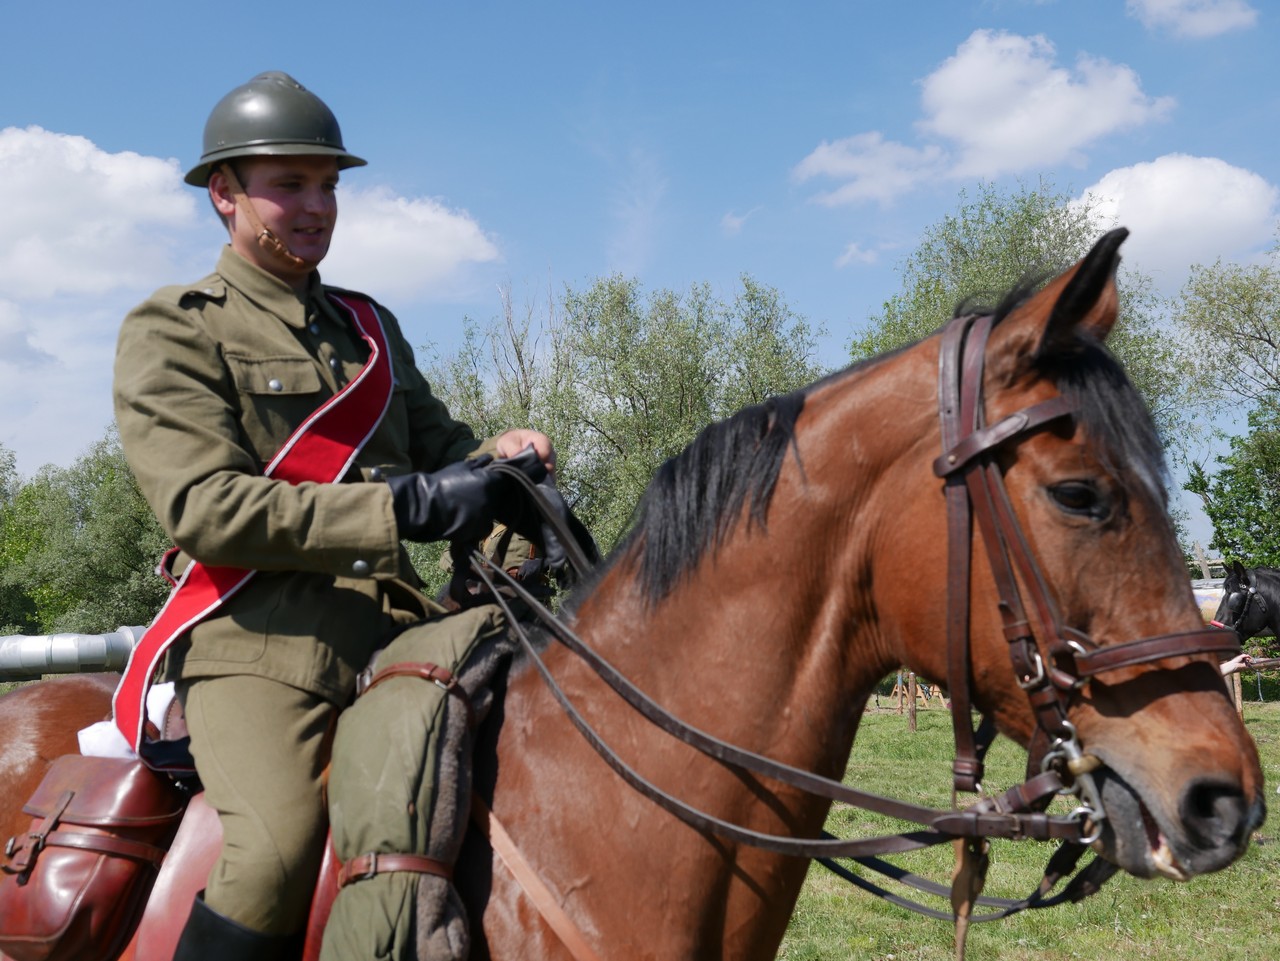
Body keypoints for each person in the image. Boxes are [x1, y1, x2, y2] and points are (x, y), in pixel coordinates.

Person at [113, 71, 552, 960]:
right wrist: (413, 506)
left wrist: (503, 467)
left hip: (402, 635)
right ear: (225, 195)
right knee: (271, 854)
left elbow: (448, 455)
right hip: (260, 646)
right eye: (290, 185)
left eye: (330, 185)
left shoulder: (370, 330)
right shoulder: (175, 329)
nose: (316, 207)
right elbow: (207, 507)